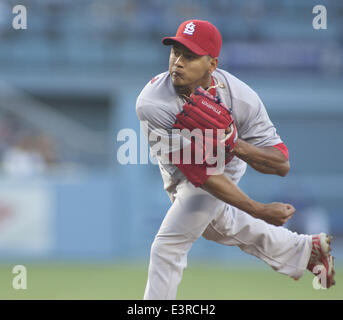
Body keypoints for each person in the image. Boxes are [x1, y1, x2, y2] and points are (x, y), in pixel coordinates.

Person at [136, 20, 335, 299]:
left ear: (212, 64)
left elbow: (280, 164)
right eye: (175, 52)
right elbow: (200, 174)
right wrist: (259, 209)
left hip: (227, 160)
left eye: (190, 56)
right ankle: (306, 251)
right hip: (180, 167)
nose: (177, 63)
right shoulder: (153, 103)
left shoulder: (241, 98)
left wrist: (233, 143)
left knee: (168, 245)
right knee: (216, 225)